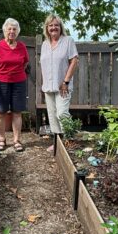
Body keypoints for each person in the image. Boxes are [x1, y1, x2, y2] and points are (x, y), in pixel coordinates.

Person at [0, 18, 29, 152]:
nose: (12, 31)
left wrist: (16, 73)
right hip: (1, 83)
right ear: (5, 30)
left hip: (19, 83)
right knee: (0, 112)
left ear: (17, 32)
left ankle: (17, 141)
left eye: (14, 29)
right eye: (9, 29)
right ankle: (1, 139)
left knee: (17, 112)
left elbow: (25, 63)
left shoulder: (22, 47)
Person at [40, 14, 78, 151]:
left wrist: (66, 81)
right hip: (48, 86)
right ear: (47, 28)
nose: (53, 27)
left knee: (62, 113)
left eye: (56, 25)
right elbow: (44, 65)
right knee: (52, 114)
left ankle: (69, 140)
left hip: (63, 85)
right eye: (51, 25)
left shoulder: (68, 41)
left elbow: (74, 60)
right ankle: (57, 142)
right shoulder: (44, 44)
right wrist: (44, 85)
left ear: (60, 27)